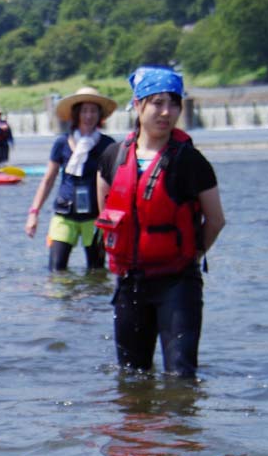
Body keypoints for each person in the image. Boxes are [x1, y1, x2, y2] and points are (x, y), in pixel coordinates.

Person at [96, 66, 226, 379]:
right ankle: (136, 429)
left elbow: (216, 220)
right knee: (132, 376)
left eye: (174, 103)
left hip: (178, 283)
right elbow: (104, 216)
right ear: (138, 105)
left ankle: (181, 428)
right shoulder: (112, 156)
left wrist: (191, 256)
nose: (166, 112)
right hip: (131, 283)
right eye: (157, 103)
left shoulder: (190, 161)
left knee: (181, 377)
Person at [26, 87, 119, 271]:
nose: (89, 115)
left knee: (96, 273)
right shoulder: (62, 143)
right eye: (84, 110)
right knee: (56, 271)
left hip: (95, 217)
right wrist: (33, 213)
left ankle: (92, 302)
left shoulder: (108, 145)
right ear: (76, 114)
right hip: (64, 214)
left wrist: (112, 219)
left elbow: (114, 184)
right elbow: (48, 180)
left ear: (99, 115)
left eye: (93, 111)